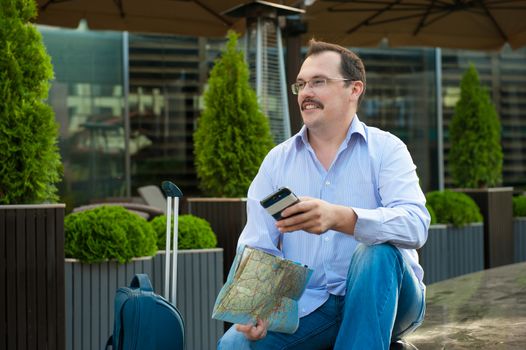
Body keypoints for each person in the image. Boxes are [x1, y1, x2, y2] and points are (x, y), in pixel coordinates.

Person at [218, 39, 430, 350]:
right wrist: (258, 307)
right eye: (301, 84)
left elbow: (416, 225)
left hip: (392, 296)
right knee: (234, 345)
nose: (306, 93)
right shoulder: (277, 161)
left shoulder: (387, 149)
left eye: (319, 82)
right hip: (313, 305)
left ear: (354, 89)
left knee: (377, 252)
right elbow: (257, 244)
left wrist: (341, 217)